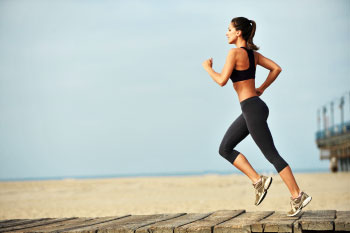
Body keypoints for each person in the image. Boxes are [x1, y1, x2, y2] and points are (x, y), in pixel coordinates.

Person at [201, 16, 312, 216]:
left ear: (238, 33)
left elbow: (221, 80)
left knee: (272, 155)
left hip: (251, 109)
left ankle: (297, 195)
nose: (226, 33)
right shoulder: (253, 55)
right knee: (225, 148)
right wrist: (261, 88)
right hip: (253, 107)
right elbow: (276, 68)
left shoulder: (233, 53)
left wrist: (208, 69)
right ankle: (258, 181)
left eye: (229, 29)